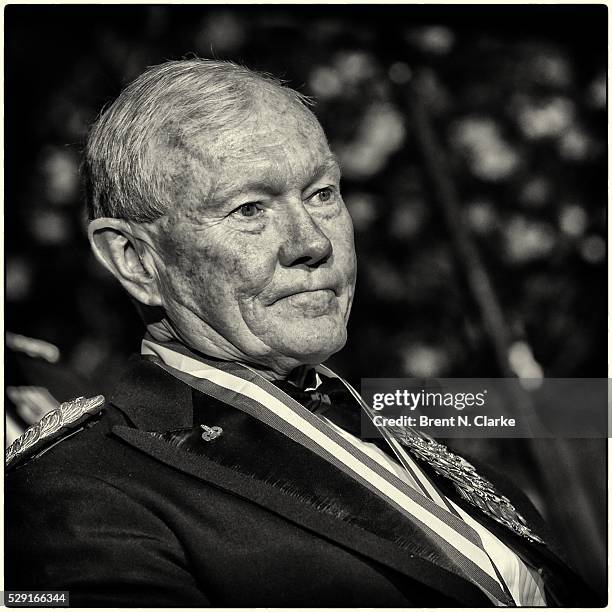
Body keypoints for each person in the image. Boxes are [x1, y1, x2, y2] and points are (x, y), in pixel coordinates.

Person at [5, 59, 601, 607]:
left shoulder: (410, 440)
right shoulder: (80, 487)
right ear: (136, 259)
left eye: (321, 194)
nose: (312, 242)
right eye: (249, 209)